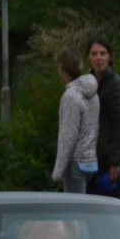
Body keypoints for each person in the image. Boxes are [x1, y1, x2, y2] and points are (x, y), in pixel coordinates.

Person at [85, 36, 120, 197]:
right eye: (94, 53)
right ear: (88, 57)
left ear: (109, 56)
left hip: (106, 158)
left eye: (103, 53)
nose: (98, 58)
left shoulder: (114, 84)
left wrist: (115, 162)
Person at [51, 48, 100, 194]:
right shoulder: (93, 95)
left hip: (76, 164)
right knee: (85, 212)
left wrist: (58, 172)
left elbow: (68, 136)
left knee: (74, 213)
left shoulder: (70, 97)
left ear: (61, 67)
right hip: (90, 162)